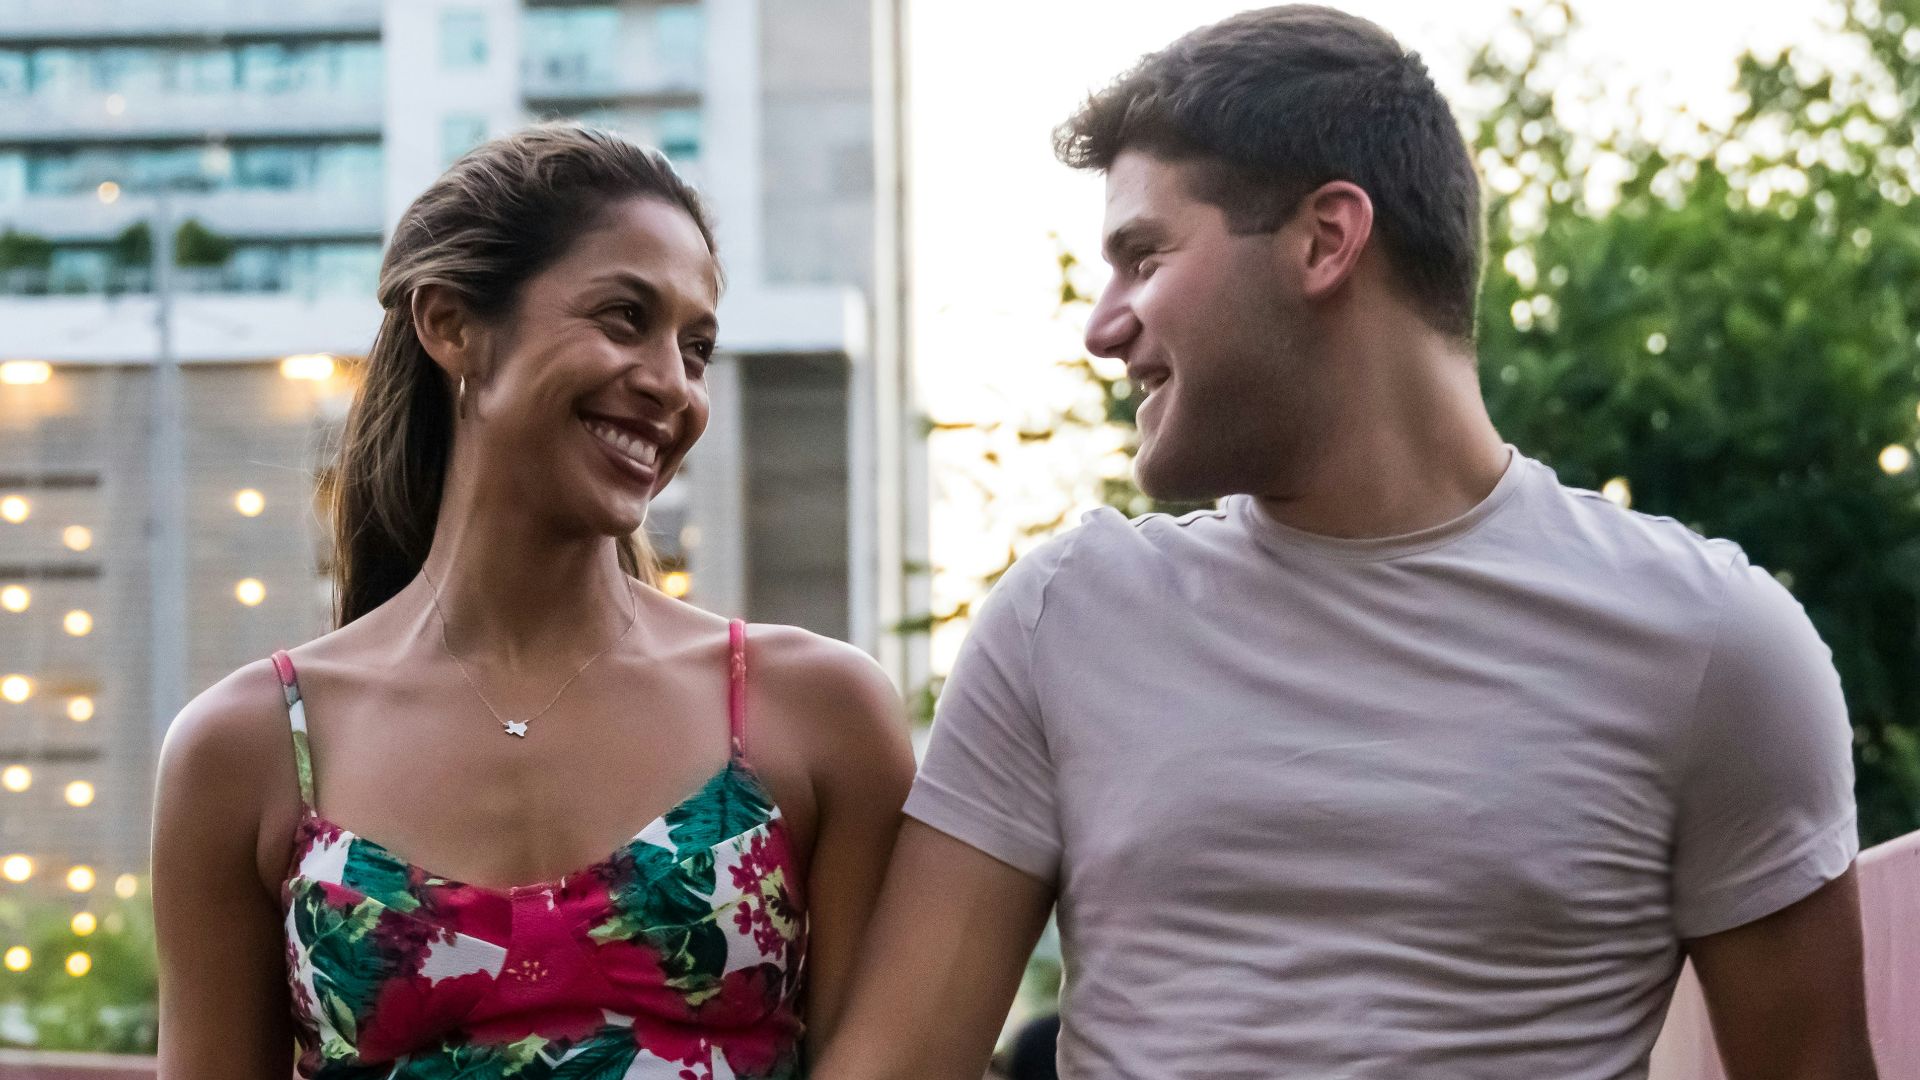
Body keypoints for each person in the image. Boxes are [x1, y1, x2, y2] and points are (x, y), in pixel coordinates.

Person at [814, 7, 1878, 1079]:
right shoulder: (1060, 620)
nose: (1104, 323)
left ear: (1326, 239)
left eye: (1143, 256)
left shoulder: (1715, 647)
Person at [151, 124, 914, 1080]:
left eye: (697, 347)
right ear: (451, 325)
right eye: (623, 317)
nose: (671, 386)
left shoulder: (814, 713)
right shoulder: (248, 748)